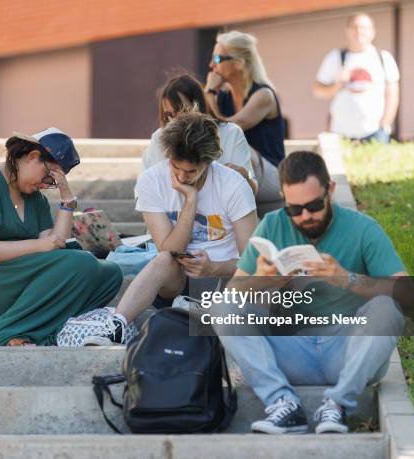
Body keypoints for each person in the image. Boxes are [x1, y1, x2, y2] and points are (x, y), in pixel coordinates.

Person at [216, 151, 407, 434]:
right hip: (289, 351)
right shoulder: (272, 225)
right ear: (283, 198)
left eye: (314, 205)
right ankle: (283, 403)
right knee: (222, 306)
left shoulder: (363, 228)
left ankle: (339, 404)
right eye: (295, 209)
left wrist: (348, 280)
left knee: (389, 305)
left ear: (330, 190)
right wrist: (262, 280)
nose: (305, 216)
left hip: (348, 352)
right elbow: (234, 292)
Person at [84, 112, 258, 346]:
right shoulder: (151, 181)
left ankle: (196, 311)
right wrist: (190, 201)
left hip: (222, 279)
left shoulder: (234, 185)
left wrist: (213, 267)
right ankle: (116, 326)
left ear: (209, 162)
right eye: (176, 167)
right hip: (174, 281)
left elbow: (253, 264)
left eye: (192, 171)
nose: (182, 177)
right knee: (165, 258)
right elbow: (169, 249)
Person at [0, 127, 123, 346]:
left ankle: (44, 331)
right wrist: (39, 244)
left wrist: (67, 198)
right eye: (49, 177)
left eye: (52, 183)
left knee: (110, 274)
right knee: (83, 262)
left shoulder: (34, 197)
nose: (45, 185)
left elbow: (54, 245)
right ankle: (3, 333)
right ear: (33, 157)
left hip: (19, 273)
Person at [204, 30, 284, 209]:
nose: (211, 65)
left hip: (272, 179)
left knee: (236, 141)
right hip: (241, 174)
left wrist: (208, 93)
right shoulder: (223, 97)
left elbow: (229, 128)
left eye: (217, 59)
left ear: (239, 63)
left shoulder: (263, 94)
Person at [143, 73, 257, 194]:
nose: (175, 120)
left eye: (182, 111)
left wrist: (245, 176)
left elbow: (252, 190)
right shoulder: (159, 137)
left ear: (199, 106)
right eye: (169, 115)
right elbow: (144, 192)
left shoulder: (230, 133)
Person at [313, 13, 400, 143]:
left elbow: (392, 95)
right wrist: (337, 85)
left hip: (375, 133)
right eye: (354, 27)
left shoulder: (383, 57)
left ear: (373, 32)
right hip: (341, 133)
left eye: (363, 27)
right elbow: (317, 91)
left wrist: (385, 124)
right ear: (347, 31)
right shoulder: (335, 57)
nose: (359, 31)